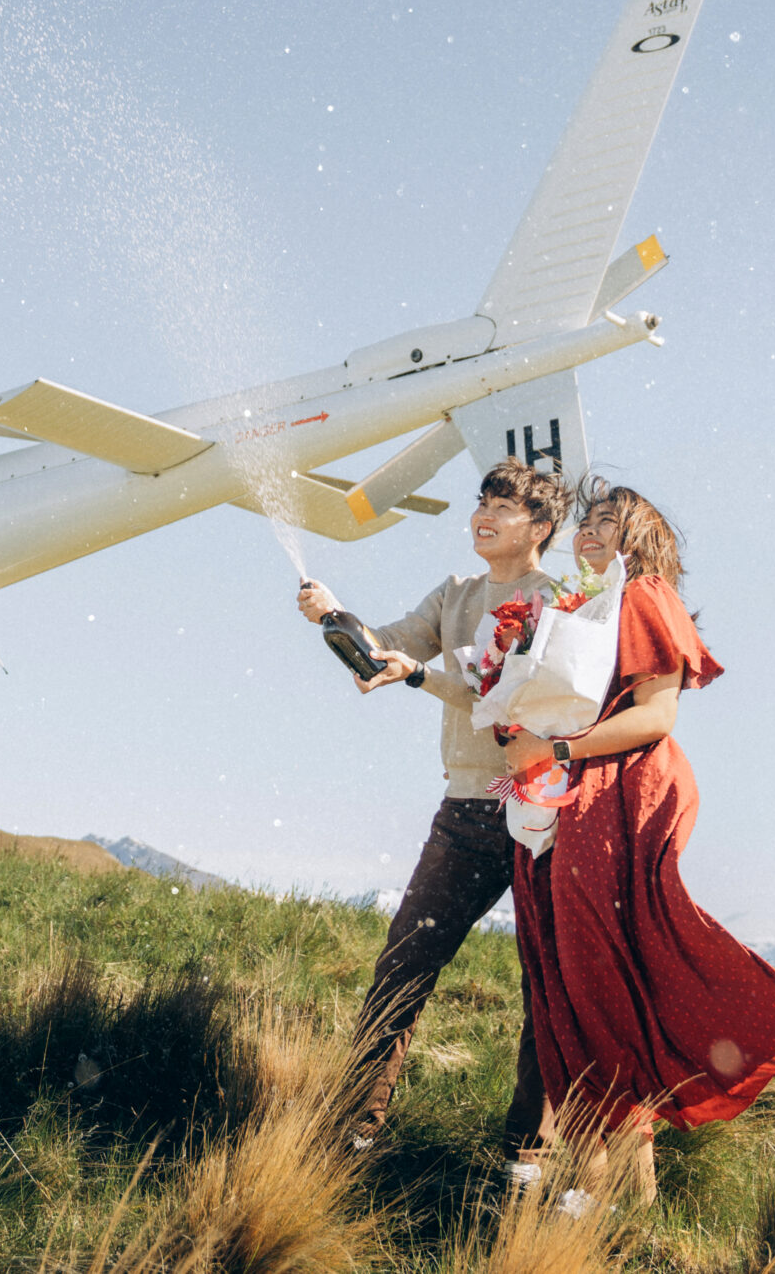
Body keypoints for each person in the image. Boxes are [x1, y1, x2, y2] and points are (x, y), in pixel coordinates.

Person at [498, 481, 775, 1202]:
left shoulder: (644, 593)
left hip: (618, 789)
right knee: (565, 979)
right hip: (567, 791)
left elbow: (657, 714)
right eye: (585, 520)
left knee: (595, 979)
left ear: (640, 538)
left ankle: (593, 1187)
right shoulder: (572, 607)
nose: (588, 531)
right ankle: (622, 1191)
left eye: (607, 521)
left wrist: (559, 744)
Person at [295, 458, 570, 1158]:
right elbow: (385, 651)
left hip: (542, 814)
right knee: (404, 963)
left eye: (502, 506)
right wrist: (335, 617)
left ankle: (524, 1153)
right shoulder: (456, 592)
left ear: (539, 527)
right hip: (466, 808)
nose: (483, 514)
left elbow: (502, 692)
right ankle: (355, 1127)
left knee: (545, 986)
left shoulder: (560, 601)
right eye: (481, 501)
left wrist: (414, 674)